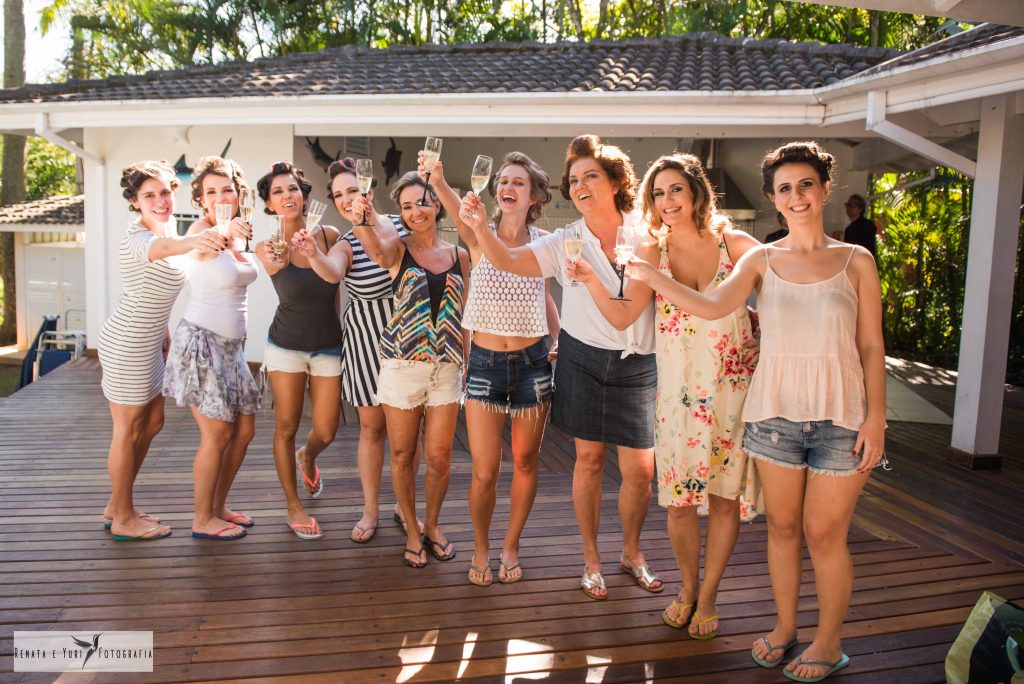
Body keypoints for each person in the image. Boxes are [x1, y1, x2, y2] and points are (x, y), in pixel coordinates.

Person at [621, 142, 885, 682]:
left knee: (824, 533)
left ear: (825, 189)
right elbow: (716, 306)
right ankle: (786, 630)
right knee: (783, 529)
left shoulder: (857, 261)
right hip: (772, 416)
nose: (796, 196)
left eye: (805, 184)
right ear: (773, 197)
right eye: (784, 188)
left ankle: (828, 642)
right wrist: (651, 277)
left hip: (842, 418)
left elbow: (872, 348)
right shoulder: (760, 259)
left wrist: (877, 417)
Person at [459, 134, 660, 600]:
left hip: (636, 361)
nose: (582, 185)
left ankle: (632, 552)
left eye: (591, 176)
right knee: (587, 461)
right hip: (581, 355)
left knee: (640, 472)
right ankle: (591, 561)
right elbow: (506, 260)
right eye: (574, 180)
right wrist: (477, 226)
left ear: (615, 181)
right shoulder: (565, 240)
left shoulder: (647, 234)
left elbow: (632, 310)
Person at [570, 153, 761, 637]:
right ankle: (688, 588)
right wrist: (593, 280)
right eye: (658, 192)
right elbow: (621, 317)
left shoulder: (734, 244)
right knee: (678, 503)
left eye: (676, 189)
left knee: (722, 501)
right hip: (675, 398)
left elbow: (789, 285)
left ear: (697, 191)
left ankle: (711, 596)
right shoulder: (651, 254)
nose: (667, 200)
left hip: (730, 397)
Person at [423, 151, 560, 586]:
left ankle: (511, 544)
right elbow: (451, 205)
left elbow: (545, 295)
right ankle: (482, 547)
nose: (509, 186)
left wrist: (558, 338)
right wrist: (440, 178)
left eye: (519, 181)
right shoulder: (480, 235)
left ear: (534, 194)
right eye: (504, 180)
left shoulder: (545, 243)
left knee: (525, 461)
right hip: (484, 362)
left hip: (533, 363)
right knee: (485, 470)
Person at [99, 160, 227, 540]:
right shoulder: (138, 238)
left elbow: (152, 288)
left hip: (151, 340)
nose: (160, 201)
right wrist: (199, 238)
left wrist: (165, 332)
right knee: (126, 429)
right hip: (127, 344)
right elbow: (168, 248)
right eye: (149, 195)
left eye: (166, 192)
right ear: (135, 202)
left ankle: (117, 503)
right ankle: (122, 517)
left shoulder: (166, 227)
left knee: (152, 424)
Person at [354, 171, 471, 569]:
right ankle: (410, 529)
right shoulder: (395, 249)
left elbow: (466, 317)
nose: (415, 211)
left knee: (439, 458)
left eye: (421, 202)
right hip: (403, 367)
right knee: (403, 455)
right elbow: (375, 248)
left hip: (447, 369)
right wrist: (362, 217)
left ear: (436, 205)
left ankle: (433, 524)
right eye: (405, 206)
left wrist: (468, 363)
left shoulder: (460, 256)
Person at [162, 156, 261, 540]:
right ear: (201, 200)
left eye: (227, 190)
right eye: (212, 191)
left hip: (233, 348)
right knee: (217, 434)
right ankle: (201, 518)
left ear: (238, 194)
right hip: (201, 344)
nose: (221, 197)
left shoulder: (237, 235)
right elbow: (207, 248)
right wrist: (226, 226)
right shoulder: (203, 233)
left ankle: (218, 506)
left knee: (244, 431)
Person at [326, 158, 422, 543]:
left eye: (352, 190)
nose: (346, 200)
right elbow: (332, 273)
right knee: (372, 428)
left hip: (408, 335)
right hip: (365, 338)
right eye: (338, 196)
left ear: (370, 190)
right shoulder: (345, 243)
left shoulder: (404, 227)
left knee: (409, 434)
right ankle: (370, 510)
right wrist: (313, 254)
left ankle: (405, 504)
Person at [254, 161, 347, 540]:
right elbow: (277, 266)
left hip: (328, 346)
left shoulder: (327, 235)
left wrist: (310, 250)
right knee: (286, 427)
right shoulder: (268, 246)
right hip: (286, 347)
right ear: (270, 204)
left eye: (292, 189)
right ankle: (294, 505)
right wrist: (287, 244)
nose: (286, 196)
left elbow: (332, 275)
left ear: (304, 196)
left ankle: (308, 457)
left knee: (326, 430)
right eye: (277, 192)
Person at [842, 194, 877, 259]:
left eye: (852, 206)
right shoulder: (848, 229)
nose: (848, 208)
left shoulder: (868, 225)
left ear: (860, 209)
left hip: (864, 262)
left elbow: (868, 249)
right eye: (847, 205)